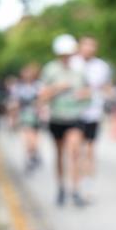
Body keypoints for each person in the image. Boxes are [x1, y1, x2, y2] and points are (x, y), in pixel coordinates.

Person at [39, 34, 89, 207]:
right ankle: (61, 187)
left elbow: (88, 92)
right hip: (57, 117)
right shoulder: (50, 70)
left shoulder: (79, 70)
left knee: (74, 152)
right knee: (60, 154)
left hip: (74, 117)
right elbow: (42, 96)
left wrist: (83, 95)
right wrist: (57, 88)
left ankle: (75, 189)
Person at [73, 36, 113, 200]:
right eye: (85, 45)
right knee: (76, 150)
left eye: (92, 46)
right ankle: (75, 185)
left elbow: (107, 87)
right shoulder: (73, 63)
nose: (88, 48)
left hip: (93, 113)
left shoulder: (101, 67)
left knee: (89, 150)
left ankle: (88, 185)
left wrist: (107, 94)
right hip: (74, 113)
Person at [13, 64, 42, 174]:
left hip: (36, 116)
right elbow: (15, 103)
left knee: (34, 140)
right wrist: (13, 117)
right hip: (24, 116)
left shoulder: (37, 86)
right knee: (28, 138)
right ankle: (30, 158)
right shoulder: (19, 87)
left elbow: (42, 100)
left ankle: (34, 155)